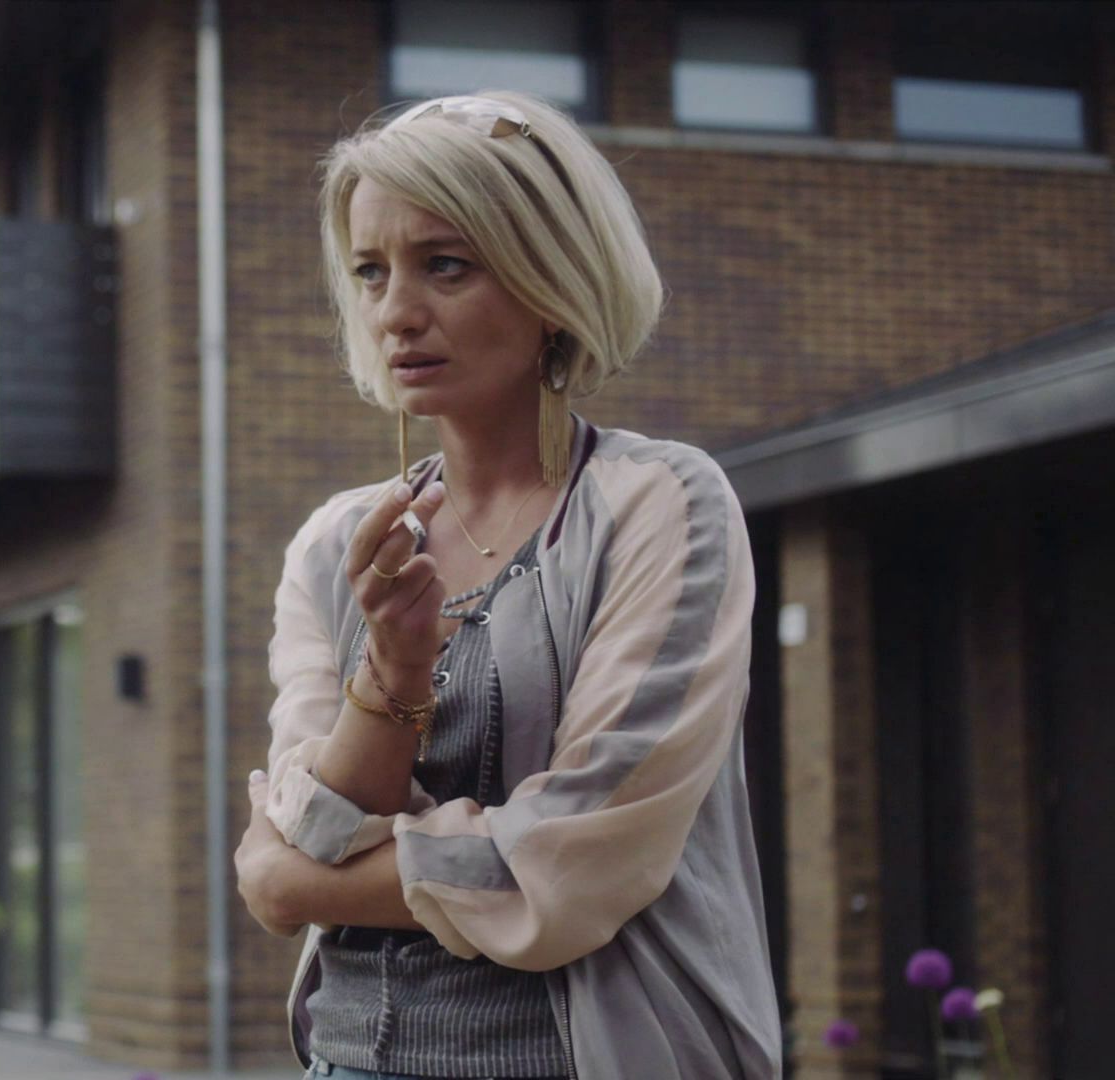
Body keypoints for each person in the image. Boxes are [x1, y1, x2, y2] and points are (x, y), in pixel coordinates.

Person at [232, 90, 781, 1079]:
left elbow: (576, 856)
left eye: (446, 265)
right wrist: (392, 674)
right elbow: (317, 827)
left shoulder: (660, 503)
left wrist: (301, 888)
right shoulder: (332, 546)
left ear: (551, 279)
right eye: (370, 271)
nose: (395, 312)